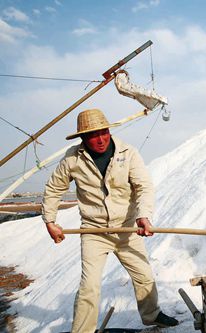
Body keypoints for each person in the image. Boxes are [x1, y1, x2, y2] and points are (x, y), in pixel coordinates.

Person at [42, 109, 179, 332]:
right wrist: (50, 220)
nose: (101, 139)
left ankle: (152, 315)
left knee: (144, 276)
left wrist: (144, 215)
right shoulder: (72, 158)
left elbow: (144, 186)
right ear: (83, 138)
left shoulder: (128, 153)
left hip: (126, 229)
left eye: (104, 132)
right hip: (94, 232)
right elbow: (54, 189)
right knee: (89, 287)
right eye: (93, 135)